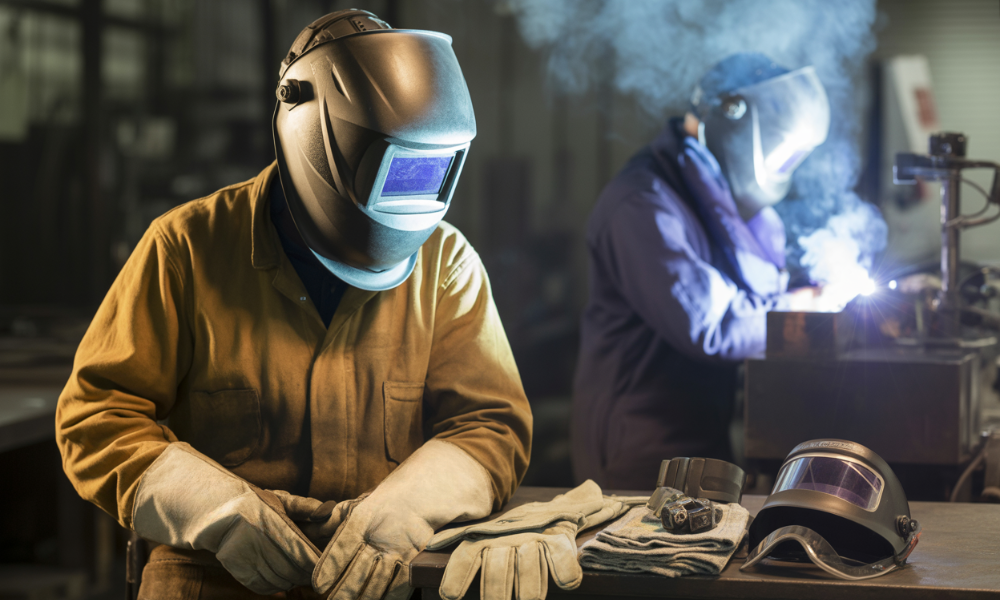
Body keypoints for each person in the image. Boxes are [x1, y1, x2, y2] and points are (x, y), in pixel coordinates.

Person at [55, 10, 532, 598]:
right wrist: (214, 509)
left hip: (377, 578)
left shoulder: (445, 264)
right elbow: (97, 417)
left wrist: (408, 509)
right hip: (213, 576)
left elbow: (491, 425)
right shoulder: (185, 248)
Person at [571, 53, 831, 489]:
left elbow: (755, 282)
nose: (783, 167)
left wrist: (813, 288)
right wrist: (800, 309)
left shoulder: (709, 194)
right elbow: (711, 324)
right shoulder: (643, 204)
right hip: (637, 455)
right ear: (736, 123)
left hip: (697, 440)